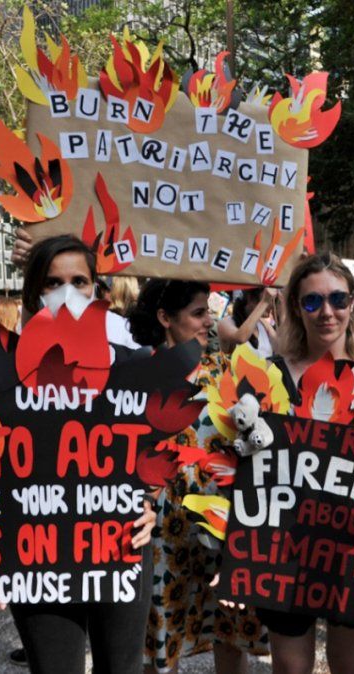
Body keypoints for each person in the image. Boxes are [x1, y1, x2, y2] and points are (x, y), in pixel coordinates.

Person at [0, 236, 156, 674]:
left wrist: (150, 506)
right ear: (35, 293)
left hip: (119, 544)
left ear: (97, 290)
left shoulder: (134, 368)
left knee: (122, 668)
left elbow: (145, 462)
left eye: (80, 280)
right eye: (53, 282)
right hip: (36, 552)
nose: (68, 293)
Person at [260, 252, 354, 674]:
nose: (327, 312)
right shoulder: (269, 373)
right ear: (295, 308)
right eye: (311, 301)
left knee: (348, 668)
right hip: (285, 545)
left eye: (338, 299)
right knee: (290, 667)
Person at [128, 279, 269, 674]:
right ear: (165, 318)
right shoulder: (140, 375)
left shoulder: (223, 368)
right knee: (160, 638)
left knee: (228, 629)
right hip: (162, 529)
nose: (210, 321)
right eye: (198, 312)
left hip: (220, 523)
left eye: (210, 310)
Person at [218, 287, 278, 357]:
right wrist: (264, 302)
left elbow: (281, 348)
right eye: (268, 298)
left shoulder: (263, 323)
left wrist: (283, 313)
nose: (271, 305)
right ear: (250, 298)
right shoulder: (226, 322)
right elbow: (241, 338)